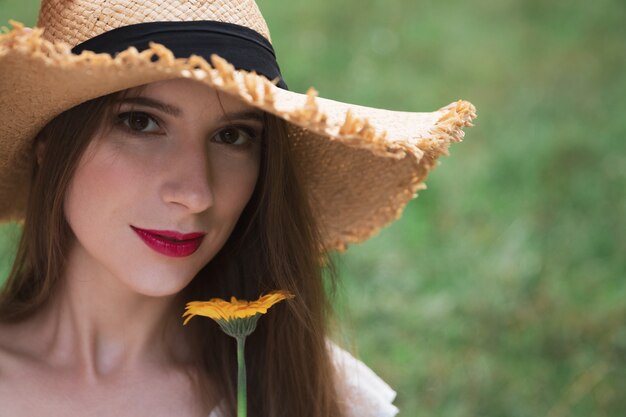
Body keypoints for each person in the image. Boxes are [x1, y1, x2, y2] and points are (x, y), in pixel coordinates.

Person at [0, 1, 476, 416]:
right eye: (141, 122)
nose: (197, 194)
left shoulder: (312, 391)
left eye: (232, 136)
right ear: (49, 145)